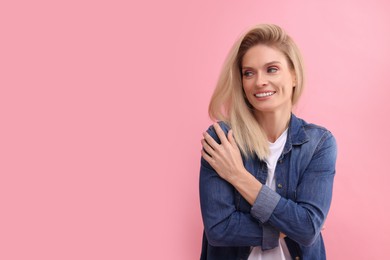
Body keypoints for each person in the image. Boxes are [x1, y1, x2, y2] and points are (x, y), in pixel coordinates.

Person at [199, 24, 337, 260]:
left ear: (294, 75)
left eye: (271, 69)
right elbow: (219, 229)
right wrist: (288, 227)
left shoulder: (319, 143)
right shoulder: (222, 139)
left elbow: (307, 228)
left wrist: (238, 176)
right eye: (249, 73)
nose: (259, 81)